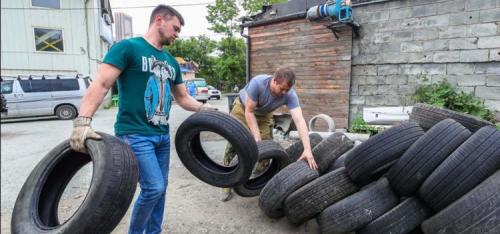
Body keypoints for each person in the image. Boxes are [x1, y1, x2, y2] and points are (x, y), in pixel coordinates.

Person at [69, 5, 214, 234]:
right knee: (153, 188)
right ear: (159, 20)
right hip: (134, 134)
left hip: (162, 136)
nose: (177, 33)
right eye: (175, 28)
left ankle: (153, 232)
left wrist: (207, 110)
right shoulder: (128, 48)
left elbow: (184, 98)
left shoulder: (171, 61)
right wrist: (82, 121)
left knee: (161, 188)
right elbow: (102, 84)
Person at [221, 66, 318, 202]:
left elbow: (299, 120)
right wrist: (256, 138)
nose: (284, 93)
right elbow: (249, 112)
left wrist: (307, 149)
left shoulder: (289, 94)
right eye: (282, 88)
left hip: (264, 115)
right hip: (243, 111)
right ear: (274, 81)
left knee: (267, 150)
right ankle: (227, 183)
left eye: (287, 90)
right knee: (234, 145)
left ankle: (255, 183)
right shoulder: (258, 83)